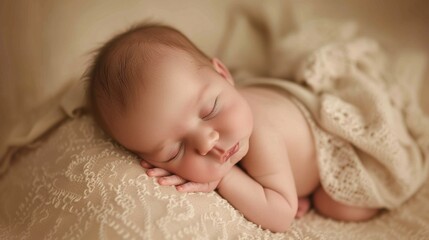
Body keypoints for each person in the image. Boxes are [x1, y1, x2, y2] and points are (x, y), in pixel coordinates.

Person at [86, 23, 380, 232]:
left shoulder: (261, 131)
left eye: (210, 109)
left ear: (224, 74)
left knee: (337, 206)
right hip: (282, 121)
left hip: (333, 143)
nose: (205, 143)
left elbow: (280, 216)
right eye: (174, 151)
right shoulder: (224, 117)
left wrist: (223, 179)